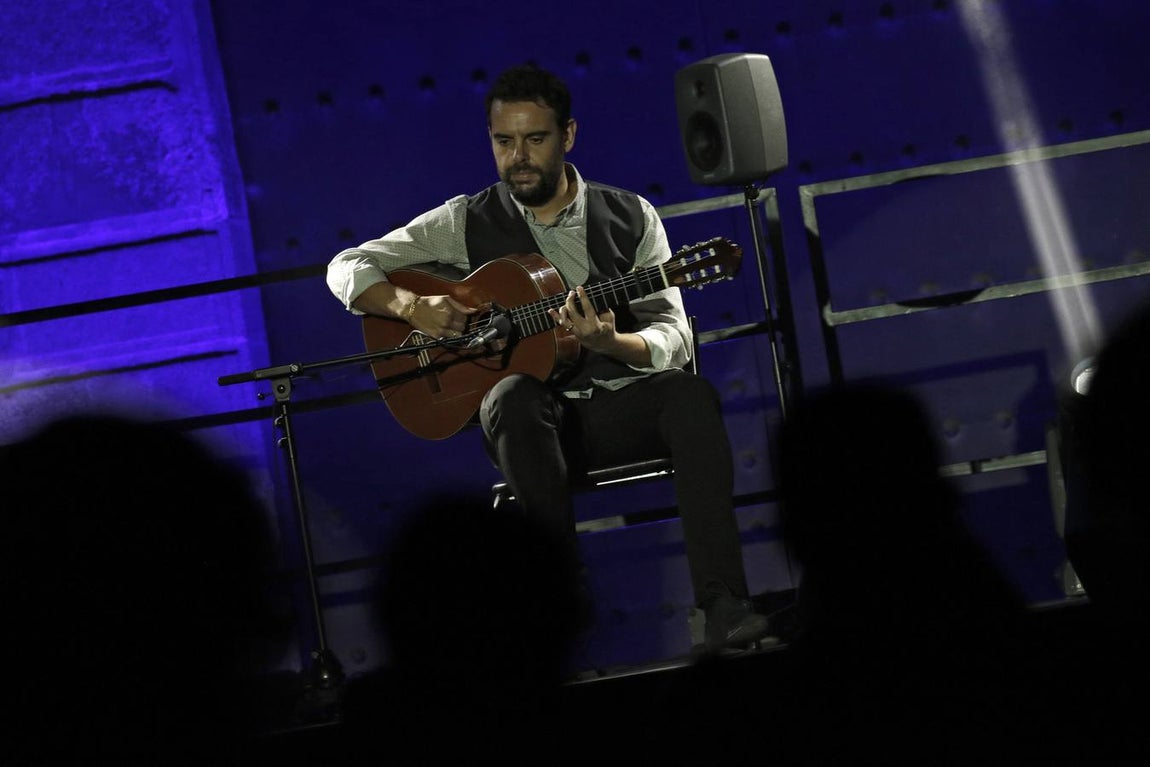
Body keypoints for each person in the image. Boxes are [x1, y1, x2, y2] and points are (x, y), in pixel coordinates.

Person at [325, 63, 768, 650]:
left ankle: (722, 604)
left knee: (692, 395)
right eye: (503, 142)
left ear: (569, 136)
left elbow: (674, 336)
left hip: (615, 413)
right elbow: (345, 266)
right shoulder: (464, 220)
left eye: (535, 139)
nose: (519, 158)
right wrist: (410, 305)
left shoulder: (631, 216)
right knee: (510, 394)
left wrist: (613, 343)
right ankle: (557, 591)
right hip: (531, 429)